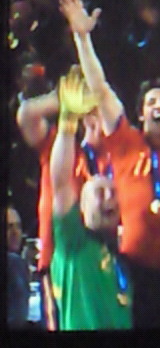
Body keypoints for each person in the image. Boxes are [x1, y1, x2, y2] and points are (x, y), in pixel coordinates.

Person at [62, 0, 160, 327]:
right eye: (153, 102)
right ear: (140, 113)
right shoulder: (126, 142)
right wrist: (82, 37)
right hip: (132, 271)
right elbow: (100, 88)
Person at [48, 68, 133, 330]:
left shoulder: (121, 259)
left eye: (114, 193)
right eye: (99, 193)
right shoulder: (73, 242)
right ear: (81, 209)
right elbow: (61, 184)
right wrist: (67, 126)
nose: (109, 198)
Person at [7, 205, 30, 328]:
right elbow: (18, 319)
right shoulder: (13, 262)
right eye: (8, 227)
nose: (15, 232)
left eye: (18, 226)